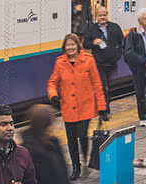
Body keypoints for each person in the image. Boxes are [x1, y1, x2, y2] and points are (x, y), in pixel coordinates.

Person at [47, 33, 107, 180]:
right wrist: (53, 95)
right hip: (68, 107)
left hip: (86, 107)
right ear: (64, 47)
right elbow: (52, 82)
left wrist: (102, 106)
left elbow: (97, 84)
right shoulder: (60, 62)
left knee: (82, 135)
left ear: (77, 45)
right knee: (71, 139)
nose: (70, 47)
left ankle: (85, 162)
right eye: (68, 45)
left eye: (73, 44)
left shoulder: (88, 60)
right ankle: (75, 167)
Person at [83, 6, 125, 111]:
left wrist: (118, 55)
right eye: (100, 15)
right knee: (103, 86)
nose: (102, 17)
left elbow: (122, 42)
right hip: (99, 63)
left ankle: (105, 105)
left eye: (104, 15)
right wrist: (93, 42)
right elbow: (85, 44)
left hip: (111, 62)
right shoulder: (91, 29)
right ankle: (105, 110)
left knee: (109, 86)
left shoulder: (115, 27)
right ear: (96, 16)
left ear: (107, 15)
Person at [20, 104, 70, 184]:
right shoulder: (27, 151)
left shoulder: (54, 142)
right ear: (43, 127)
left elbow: (63, 174)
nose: (55, 127)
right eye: (52, 123)